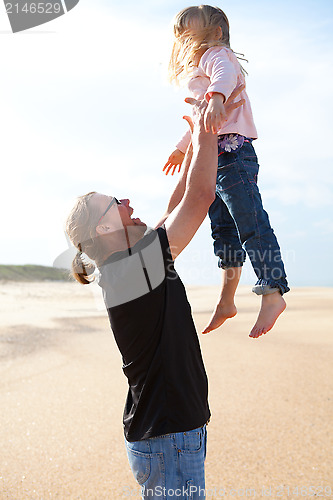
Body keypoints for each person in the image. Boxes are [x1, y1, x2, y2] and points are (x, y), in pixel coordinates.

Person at [65, 89, 244, 499]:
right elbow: (200, 200)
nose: (126, 200)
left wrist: (196, 144)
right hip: (168, 438)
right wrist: (206, 133)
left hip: (166, 435)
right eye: (115, 203)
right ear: (104, 229)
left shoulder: (128, 265)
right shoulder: (130, 272)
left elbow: (178, 203)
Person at [163, 5, 289, 339]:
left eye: (194, 34)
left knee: (250, 220)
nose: (189, 42)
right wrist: (182, 145)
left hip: (232, 152)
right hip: (210, 158)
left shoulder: (217, 54)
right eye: (184, 37)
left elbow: (224, 79)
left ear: (215, 33)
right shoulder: (201, 64)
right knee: (223, 231)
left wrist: (217, 96)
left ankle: (272, 288)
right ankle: (227, 299)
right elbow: (202, 117)